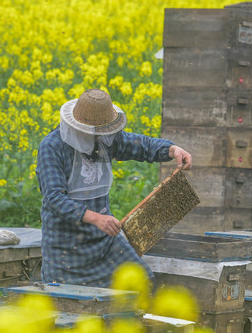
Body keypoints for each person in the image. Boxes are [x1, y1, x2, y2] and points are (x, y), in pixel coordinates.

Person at [36, 88, 192, 286]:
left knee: (141, 280)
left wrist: (171, 150)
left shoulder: (105, 139)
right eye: (96, 132)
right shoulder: (52, 146)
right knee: (71, 305)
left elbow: (141, 145)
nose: (101, 136)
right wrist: (97, 219)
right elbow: (55, 198)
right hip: (65, 246)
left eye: (104, 131)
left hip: (104, 241)